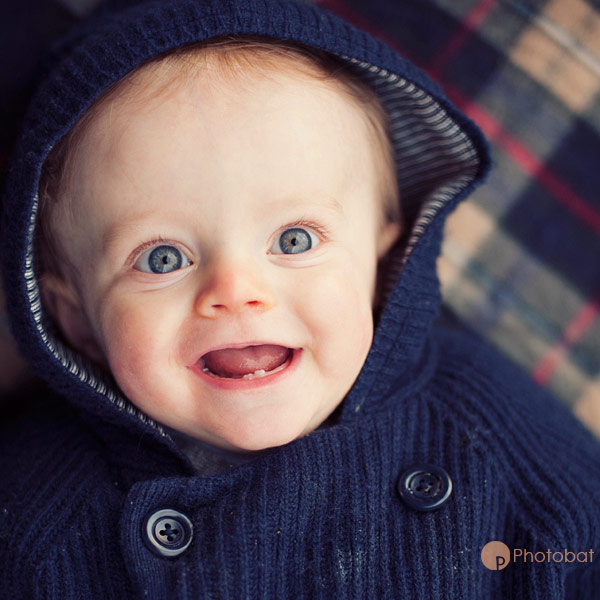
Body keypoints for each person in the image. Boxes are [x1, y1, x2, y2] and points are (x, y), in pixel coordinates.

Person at [0, 0, 598, 597]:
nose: (235, 292)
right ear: (75, 319)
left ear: (383, 262)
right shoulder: (39, 506)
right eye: (163, 259)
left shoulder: (482, 421)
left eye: (294, 240)